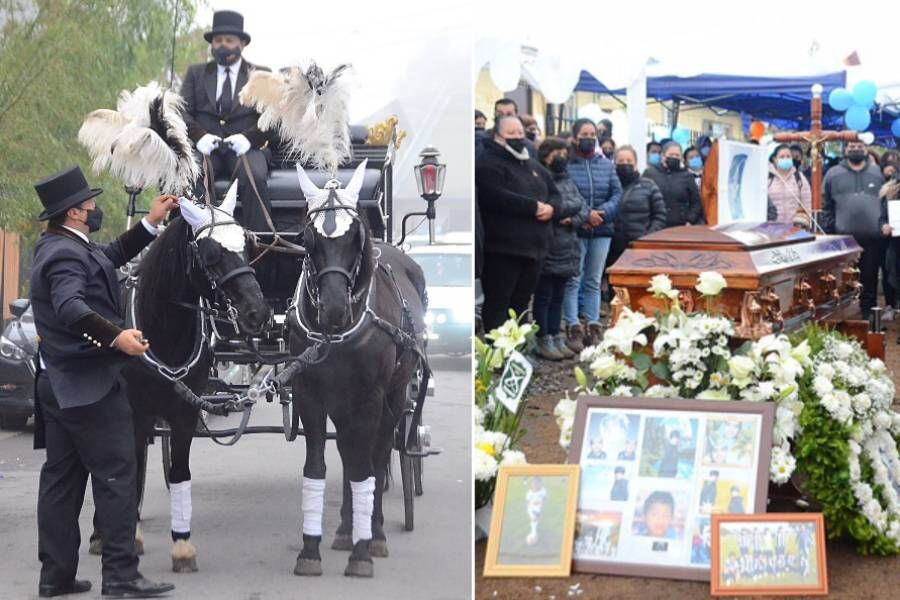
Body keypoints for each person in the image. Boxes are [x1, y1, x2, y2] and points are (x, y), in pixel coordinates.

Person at [30, 166, 177, 598]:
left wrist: (149, 223)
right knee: (117, 476)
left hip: (61, 386)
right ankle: (120, 576)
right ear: (74, 213)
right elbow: (71, 308)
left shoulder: (64, 246)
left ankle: (54, 577)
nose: (96, 210)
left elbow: (107, 257)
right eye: (91, 205)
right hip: (89, 386)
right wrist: (118, 337)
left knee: (62, 482)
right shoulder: (63, 256)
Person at [180, 10, 274, 233]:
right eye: (218, 40)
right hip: (205, 149)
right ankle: (193, 243)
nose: (223, 45)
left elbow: (273, 119)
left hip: (245, 150)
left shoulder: (260, 74)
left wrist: (248, 138)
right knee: (190, 176)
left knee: (256, 178)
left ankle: (259, 244)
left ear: (242, 43)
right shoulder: (196, 73)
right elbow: (181, 111)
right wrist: (199, 136)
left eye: (229, 40)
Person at [475, 115, 558, 331]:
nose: (518, 138)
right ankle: (498, 357)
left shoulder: (532, 164)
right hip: (503, 251)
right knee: (498, 305)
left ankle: (518, 352)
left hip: (534, 250)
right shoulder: (487, 163)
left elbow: (554, 192)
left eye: (520, 133)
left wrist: (552, 208)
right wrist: (533, 207)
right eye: (511, 134)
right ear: (498, 136)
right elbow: (495, 195)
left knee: (521, 305)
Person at [563, 119, 623, 350]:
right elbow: (567, 194)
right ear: (575, 137)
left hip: (602, 230)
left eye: (593, 133)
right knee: (573, 279)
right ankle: (573, 326)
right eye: (584, 133)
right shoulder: (568, 164)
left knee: (594, 280)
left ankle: (594, 325)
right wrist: (586, 215)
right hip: (576, 229)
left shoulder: (606, 165)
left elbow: (617, 194)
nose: (589, 137)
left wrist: (601, 214)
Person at [533, 137, 590, 360]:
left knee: (558, 295)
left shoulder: (567, 179)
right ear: (546, 155)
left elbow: (582, 206)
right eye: (557, 153)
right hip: (549, 244)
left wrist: (571, 218)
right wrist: (562, 211)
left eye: (564, 153)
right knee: (544, 294)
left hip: (568, 244)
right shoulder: (540, 178)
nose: (562, 158)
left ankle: (556, 335)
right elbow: (550, 207)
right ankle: (542, 338)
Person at [821, 139, 891, 319]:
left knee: (870, 280)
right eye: (852, 146)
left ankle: (869, 318)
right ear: (845, 150)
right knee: (842, 283)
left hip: (872, 239)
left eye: (860, 146)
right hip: (843, 243)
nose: (856, 149)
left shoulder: (878, 174)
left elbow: (888, 203)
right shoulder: (832, 174)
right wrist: (831, 231)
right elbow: (826, 205)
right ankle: (843, 319)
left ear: (866, 149)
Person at [608, 145, 667, 268]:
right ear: (614, 164)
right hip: (611, 248)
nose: (625, 164)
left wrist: (648, 236)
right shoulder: (608, 186)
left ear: (635, 164)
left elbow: (660, 214)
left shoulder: (649, 185)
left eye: (629, 161)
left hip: (640, 247)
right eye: (621, 161)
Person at [643, 141, 704, 228]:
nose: (674, 157)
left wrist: (690, 220)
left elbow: (696, 202)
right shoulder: (650, 173)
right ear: (663, 156)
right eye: (671, 155)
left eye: (677, 155)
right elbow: (643, 198)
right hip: (655, 225)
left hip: (680, 226)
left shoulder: (687, 176)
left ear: (681, 158)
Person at [767, 143, 812, 227]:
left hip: (795, 230)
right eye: (782, 157)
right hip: (772, 230)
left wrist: (806, 223)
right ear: (774, 159)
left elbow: (807, 205)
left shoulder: (799, 178)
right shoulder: (767, 178)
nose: (786, 159)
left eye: (788, 156)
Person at [525, 477, 547, 546]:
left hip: (538, 507)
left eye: (537, 483)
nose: (535, 485)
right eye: (534, 483)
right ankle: (533, 534)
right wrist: (530, 507)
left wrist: (541, 504)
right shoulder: (529, 493)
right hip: (531, 508)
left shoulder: (543, 491)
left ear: (540, 484)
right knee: (533, 518)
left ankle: (533, 533)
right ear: (531, 484)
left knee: (534, 518)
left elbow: (544, 499)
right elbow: (528, 502)